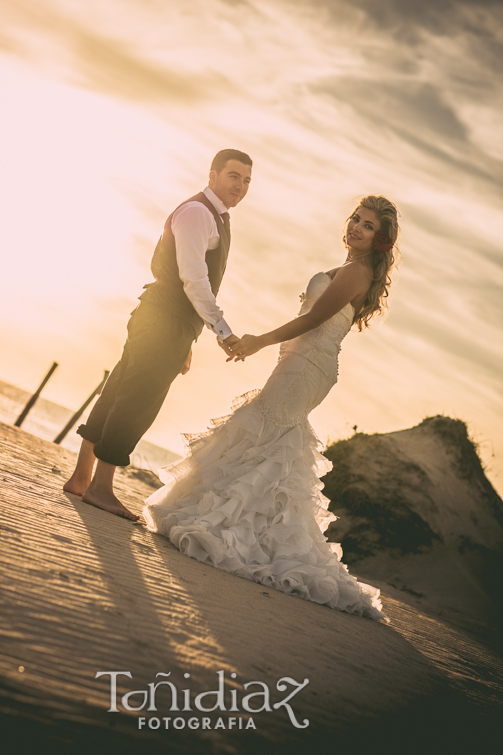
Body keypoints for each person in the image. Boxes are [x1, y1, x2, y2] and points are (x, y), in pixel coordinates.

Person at [143, 195, 399, 621]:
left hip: (307, 366)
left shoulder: (356, 272)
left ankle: (240, 532)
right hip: (302, 363)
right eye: (355, 218)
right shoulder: (354, 268)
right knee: (274, 439)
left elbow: (313, 319)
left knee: (264, 429)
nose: (356, 226)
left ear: (381, 239)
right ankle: (251, 526)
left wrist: (258, 340)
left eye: (368, 225)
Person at [63, 149, 253, 520]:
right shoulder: (199, 212)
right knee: (137, 401)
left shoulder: (214, 216)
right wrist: (222, 330)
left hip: (165, 318)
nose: (240, 186)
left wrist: (188, 339)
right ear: (212, 175)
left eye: (246, 180)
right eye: (234, 176)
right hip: (164, 317)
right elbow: (194, 279)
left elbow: (192, 284)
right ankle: (100, 488)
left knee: (119, 389)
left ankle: (81, 478)